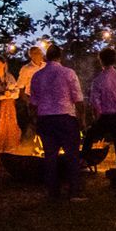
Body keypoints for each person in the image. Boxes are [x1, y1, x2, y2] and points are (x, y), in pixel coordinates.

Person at [29, 43, 84, 200]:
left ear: (46, 57)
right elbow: (78, 99)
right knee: (72, 156)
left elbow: (33, 103)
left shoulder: (37, 76)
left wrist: (34, 120)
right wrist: (82, 119)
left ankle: (53, 192)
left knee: (50, 157)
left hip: (45, 119)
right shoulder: (68, 73)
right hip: (65, 118)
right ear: (60, 57)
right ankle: (74, 191)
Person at [86, 46, 116, 194]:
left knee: (89, 137)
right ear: (115, 60)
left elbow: (95, 103)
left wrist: (96, 118)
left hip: (107, 117)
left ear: (101, 60)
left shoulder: (98, 80)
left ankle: (84, 160)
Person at [14, 44, 46, 145]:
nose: (39, 55)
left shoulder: (46, 66)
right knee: (34, 121)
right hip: (33, 98)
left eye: (40, 52)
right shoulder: (26, 69)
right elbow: (20, 86)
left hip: (46, 99)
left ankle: (46, 142)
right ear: (31, 55)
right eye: (36, 53)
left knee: (46, 121)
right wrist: (27, 100)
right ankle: (30, 144)